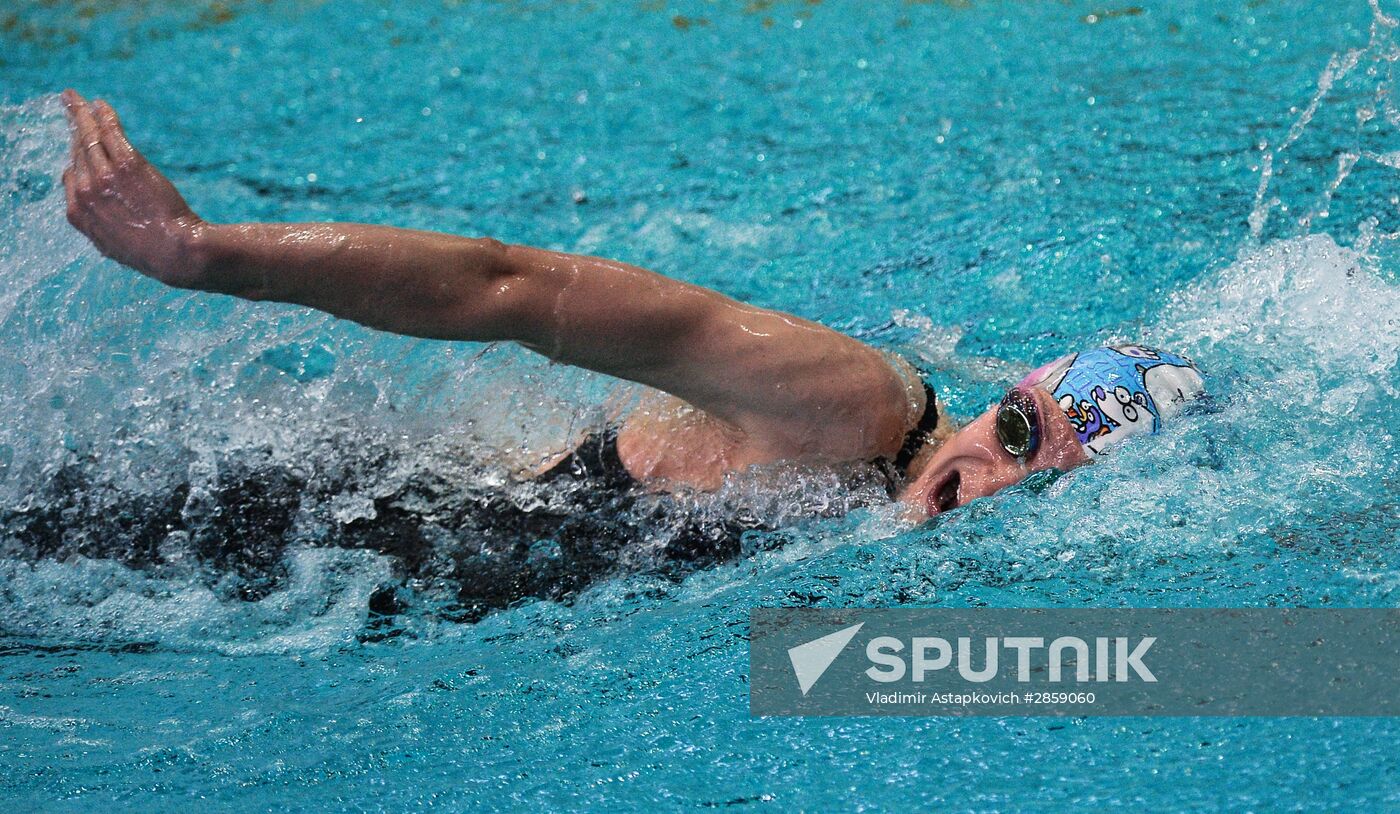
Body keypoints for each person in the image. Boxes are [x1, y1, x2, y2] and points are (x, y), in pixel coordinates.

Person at [57, 89, 1206, 532]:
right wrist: (204, 256)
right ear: (999, 398)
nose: (998, 481)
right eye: (1014, 433)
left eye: (1049, 486)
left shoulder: (877, 524)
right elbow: (521, 289)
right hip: (284, 517)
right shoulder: (853, 406)